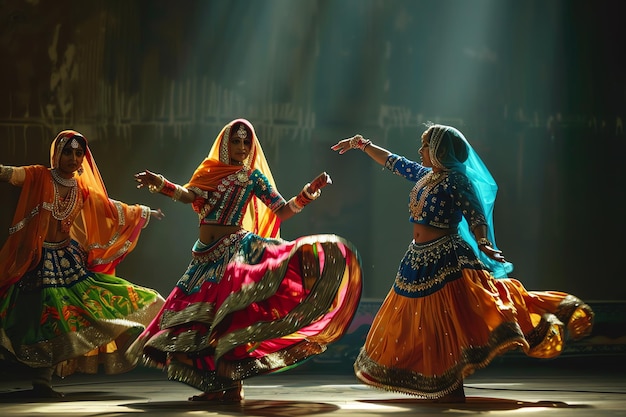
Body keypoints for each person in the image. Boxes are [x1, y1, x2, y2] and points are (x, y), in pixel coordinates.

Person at [331, 123, 594, 402]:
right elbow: (394, 162)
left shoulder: (456, 180)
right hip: (417, 258)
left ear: (439, 150)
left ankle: (455, 381)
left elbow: (475, 215)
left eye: (425, 146)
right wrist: (362, 145)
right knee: (421, 323)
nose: (419, 151)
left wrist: (483, 242)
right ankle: (439, 381)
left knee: (449, 321)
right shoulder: (426, 176)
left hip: (448, 258)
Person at [128, 118, 363, 403]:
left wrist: (307, 195)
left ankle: (233, 387)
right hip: (204, 256)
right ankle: (218, 387)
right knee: (202, 324)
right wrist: (161, 184)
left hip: (233, 250)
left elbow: (281, 210)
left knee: (229, 320)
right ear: (225, 144)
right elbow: (189, 195)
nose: (241, 147)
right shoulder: (208, 171)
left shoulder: (252, 177)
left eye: (245, 143)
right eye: (236, 142)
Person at [0, 130, 166, 398]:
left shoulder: (82, 189)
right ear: (56, 154)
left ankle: (45, 380)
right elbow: (11, 173)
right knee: (45, 319)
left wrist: (144, 212)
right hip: (36, 262)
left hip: (68, 263)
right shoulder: (39, 175)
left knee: (77, 312)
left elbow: (111, 208)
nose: (73, 158)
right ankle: (42, 380)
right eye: (68, 152)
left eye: (79, 153)